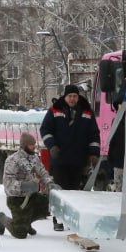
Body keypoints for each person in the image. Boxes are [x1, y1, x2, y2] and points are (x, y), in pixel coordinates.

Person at [40, 83, 101, 230]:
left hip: (79, 159)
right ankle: (58, 220)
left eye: (75, 96)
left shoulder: (87, 111)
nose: (72, 99)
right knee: (60, 190)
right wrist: (52, 145)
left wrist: (94, 153)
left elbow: (94, 134)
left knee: (75, 192)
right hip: (59, 159)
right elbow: (45, 129)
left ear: (78, 97)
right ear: (65, 96)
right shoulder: (55, 109)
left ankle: (71, 219)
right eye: (70, 96)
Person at [0, 133, 57, 239]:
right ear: (24, 146)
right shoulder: (12, 160)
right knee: (20, 233)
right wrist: (26, 186)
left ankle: (26, 222)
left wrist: (50, 183)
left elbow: (42, 172)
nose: (34, 147)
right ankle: (2, 218)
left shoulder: (34, 158)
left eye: (34, 144)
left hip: (31, 196)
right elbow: (8, 183)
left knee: (50, 206)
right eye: (31, 145)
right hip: (16, 200)